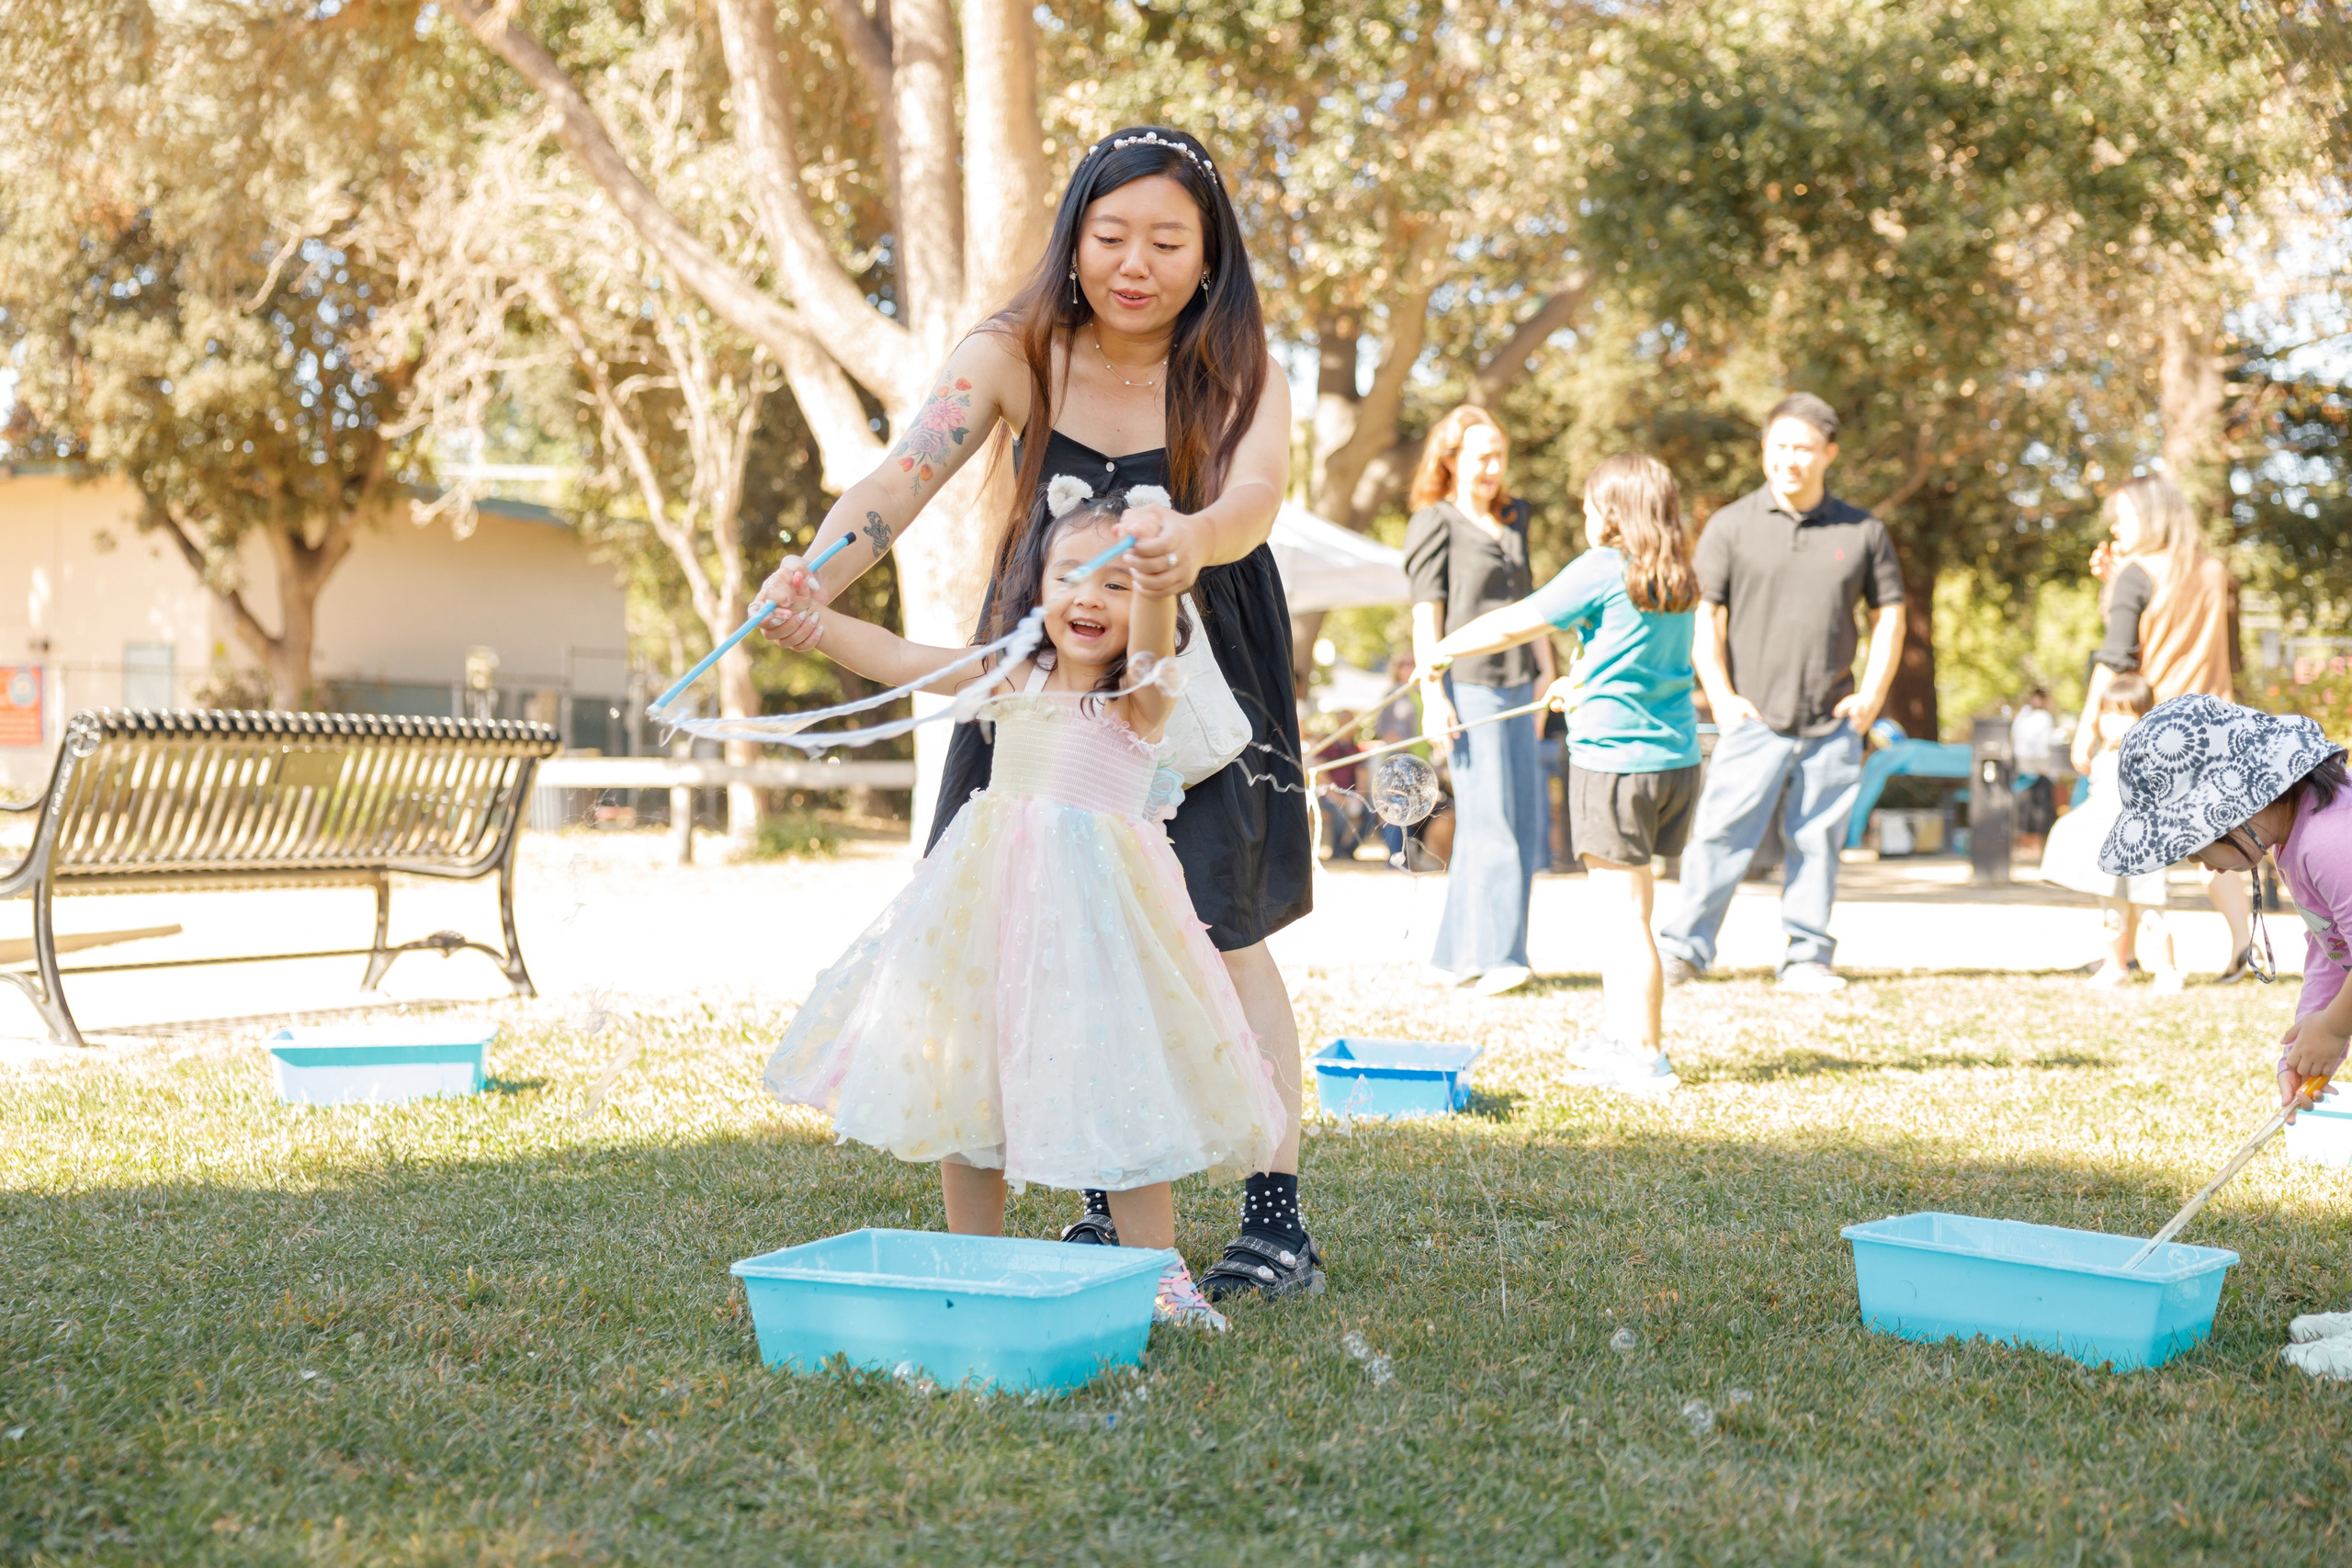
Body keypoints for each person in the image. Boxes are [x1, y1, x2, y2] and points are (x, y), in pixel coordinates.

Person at [752, 126, 1324, 1303]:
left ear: (1210, 254)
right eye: (1111, 235)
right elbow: (898, 480)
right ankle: (1097, 1201)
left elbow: (1255, 502)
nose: (1136, 262)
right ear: (1072, 241)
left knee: (1221, 925)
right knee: (1031, 918)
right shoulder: (1012, 349)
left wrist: (1186, 545)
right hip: (1049, 651)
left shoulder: (1241, 367)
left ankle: (1275, 1211)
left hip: (1192, 644)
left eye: (1169, 239)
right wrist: (815, 579)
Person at [763, 487, 1285, 1331]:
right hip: (990, 908)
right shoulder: (1013, 671)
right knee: (969, 1078)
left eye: (1117, 585)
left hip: (1098, 921)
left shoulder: (1140, 696)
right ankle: (976, 1260)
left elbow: (1151, 646)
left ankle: (1155, 1270)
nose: (1090, 597)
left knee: (1120, 1084)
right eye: (1070, 576)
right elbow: (898, 655)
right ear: (1035, 587)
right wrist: (811, 624)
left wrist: (1154, 574)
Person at [2091, 694, 2349, 1377]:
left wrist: (2334, 1027)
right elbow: (2332, 945)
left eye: (2193, 843)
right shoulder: (2301, 840)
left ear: (2235, 804)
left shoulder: (2331, 838)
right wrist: (2310, 1032)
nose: (2202, 866)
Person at [1428, 453, 1701, 1095]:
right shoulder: (1676, 576)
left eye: (1589, 502)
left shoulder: (1604, 567)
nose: (1584, 513)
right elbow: (1638, 657)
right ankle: (1619, 1035)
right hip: (1672, 763)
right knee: (1627, 910)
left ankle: (1646, 1056)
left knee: (1628, 917)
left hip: (1614, 763)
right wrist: (1581, 681)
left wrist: (1442, 649)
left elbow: (1519, 621)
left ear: (1611, 512)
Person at [1656, 393, 1907, 993]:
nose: (1789, 459)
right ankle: (1684, 949)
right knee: (1718, 834)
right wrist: (1719, 692)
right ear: (1765, 450)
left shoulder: (1863, 530)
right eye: (1779, 446)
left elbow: (1890, 615)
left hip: (1832, 721)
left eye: (1802, 447)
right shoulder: (1731, 525)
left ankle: (1806, 956)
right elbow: (1704, 615)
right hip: (1752, 719)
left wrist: (1871, 695)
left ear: (1828, 453)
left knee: (1817, 841)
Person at [2075, 476, 2257, 980]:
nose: (2115, 525)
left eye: (2125, 516)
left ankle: (2122, 957)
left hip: (2155, 730)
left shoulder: (2136, 572)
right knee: (2214, 846)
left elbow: (2117, 657)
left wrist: (2088, 725)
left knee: (2131, 838)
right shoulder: (2214, 570)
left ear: (2152, 517)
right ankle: (2245, 945)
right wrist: (2118, 583)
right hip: (2217, 725)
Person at [1403, 406, 1556, 996]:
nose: (1493, 467)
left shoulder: (1515, 519)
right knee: (1489, 818)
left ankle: (1461, 955)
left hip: (1522, 683)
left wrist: (1547, 674)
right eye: (1481, 456)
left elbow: (1533, 602)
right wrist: (1432, 695)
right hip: (1467, 684)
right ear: (1452, 460)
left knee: (1520, 817)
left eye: (1500, 454)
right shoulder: (1433, 521)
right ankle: (1499, 956)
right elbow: (1427, 615)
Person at [2036, 673, 2181, 990]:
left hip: (2143, 849)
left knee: (2151, 913)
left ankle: (2167, 970)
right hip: (2111, 852)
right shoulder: (2102, 758)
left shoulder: (2147, 757)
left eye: (2124, 714)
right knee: (2111, 914)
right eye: (2107, 713)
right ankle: (2115, 966)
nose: (2113, 722)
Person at [2011, 686, 2059, 852]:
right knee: (2030, 809)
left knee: (2035, 810)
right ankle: (2028, 845)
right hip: (2032, 770)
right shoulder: (2031, 716)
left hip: (2033, 770)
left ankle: (2034, 845)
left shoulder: (2025, 716)